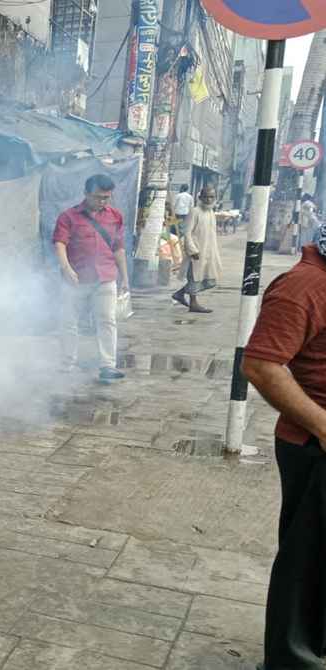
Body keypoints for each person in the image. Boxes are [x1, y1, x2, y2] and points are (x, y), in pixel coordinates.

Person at [242, 224, 326, 670]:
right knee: (308, 564)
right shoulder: (304, 286)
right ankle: (293, 662)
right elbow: (260, 365)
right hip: (315, 447)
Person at [53, 173, 130, 382]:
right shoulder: (68, 217)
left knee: (107, 321)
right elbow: (60, 244)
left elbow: (118, 249)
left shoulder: (115, 216)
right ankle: (66, 363)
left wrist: (125, 278)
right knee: (69, 321)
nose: (102, 202)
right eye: (98, 197)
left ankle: (107, 366)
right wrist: (66, 268)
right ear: (86, 194)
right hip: (75, 279)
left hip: (105, 277)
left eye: (106, 197)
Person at [171, 185, 223, 314]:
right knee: (194, 277)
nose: (209, 200)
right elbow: (187, 233)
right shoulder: (195, 211)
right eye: (206, 197)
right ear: (200, 197)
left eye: (212, 197)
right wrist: (193, 250)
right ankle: (193, 304)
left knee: (210, 280)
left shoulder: (211, 212)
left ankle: (180, 293)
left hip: (209, 251)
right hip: (196, 252)